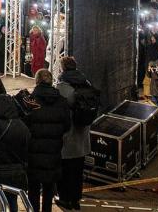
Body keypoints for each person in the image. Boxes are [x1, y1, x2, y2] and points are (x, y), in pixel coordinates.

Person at [23, 68, 71, 212]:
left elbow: (25, 124)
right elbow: (67, 126)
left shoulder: (30, 101)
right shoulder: (62, 102)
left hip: (34, 152)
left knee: (33, 189)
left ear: (36, 81)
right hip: (54, 151)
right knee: (49, 188)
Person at [56, 56, 93, 211]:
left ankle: (64, 199)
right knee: (78, 171)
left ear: (63, 68)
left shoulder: (62, 87)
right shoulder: (86, 83)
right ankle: (76, 200)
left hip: (67, 136)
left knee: (64, 171)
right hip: (82, 134)